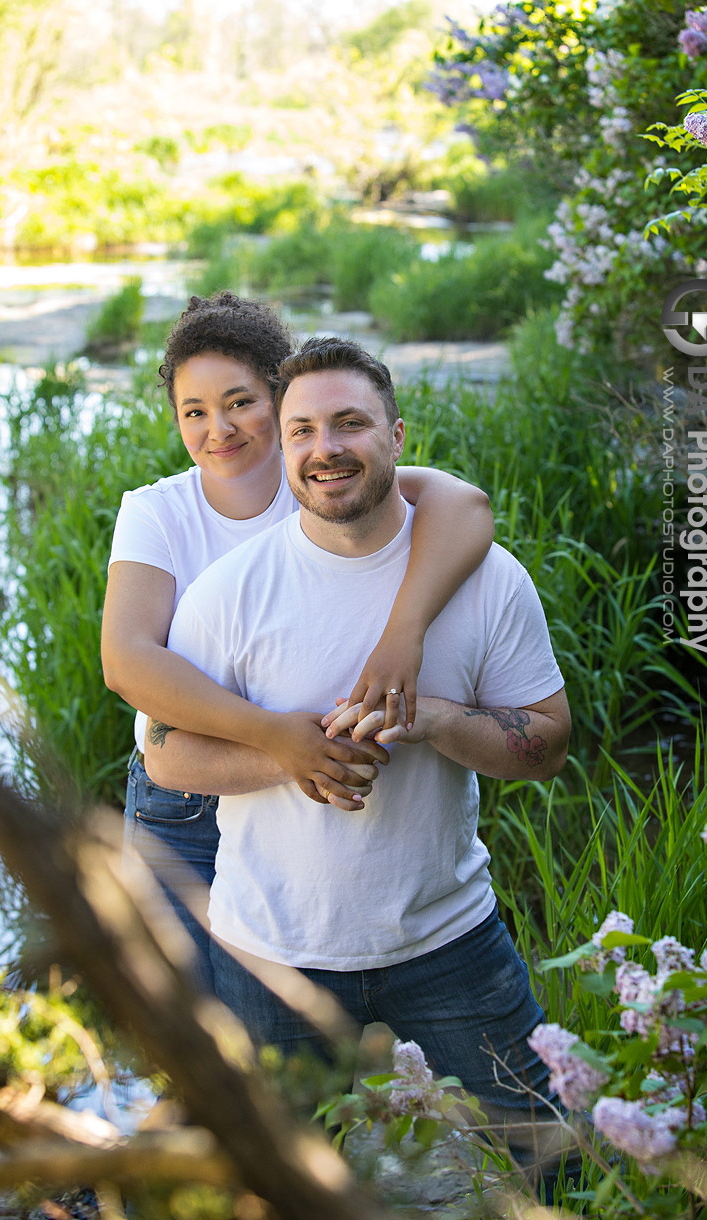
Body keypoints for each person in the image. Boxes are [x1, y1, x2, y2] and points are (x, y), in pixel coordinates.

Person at [144, 336, 571, 1191]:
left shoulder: (485, 578)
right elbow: (163, 757)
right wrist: (287, 752)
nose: (323, 448)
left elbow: (547, 745)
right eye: (301, 429)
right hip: (271, 951)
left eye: (349, 423)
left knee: (555, 1155)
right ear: (284, 447)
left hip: (449, 939)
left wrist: (439, 720)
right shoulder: (229, 592)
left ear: (398, 436)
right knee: (279, 1185)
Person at [101, 293, 495, 987]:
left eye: (240, 402)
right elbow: (128, 662)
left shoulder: (322, 479)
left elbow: (463, 507)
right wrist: (272, 737)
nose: (218, 428)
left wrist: (404, 633)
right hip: (187, 795)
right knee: (186, 1006)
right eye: (193, 411)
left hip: (325, 783)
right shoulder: (157, 512)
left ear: (279, 399)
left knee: (301, 996)